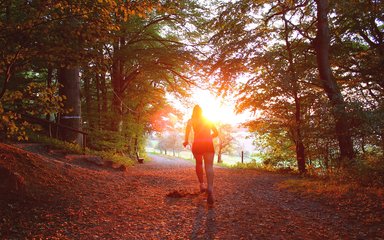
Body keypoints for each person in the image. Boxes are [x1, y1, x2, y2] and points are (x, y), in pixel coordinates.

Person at [183, 105, 218, 204]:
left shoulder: (191, 120)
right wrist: (209, 137)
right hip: (208, 144)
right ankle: (210, 188)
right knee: (209, 166)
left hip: (197, 144)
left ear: (193, 112)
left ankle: (202, 184)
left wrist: (186, 141)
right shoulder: (208, 120)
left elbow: (187, 132)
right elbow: (216, 133)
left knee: (199, 164)